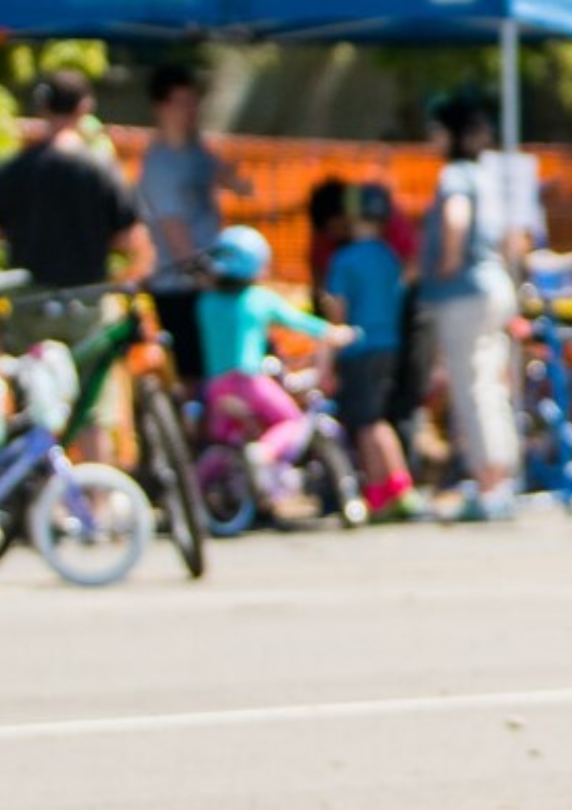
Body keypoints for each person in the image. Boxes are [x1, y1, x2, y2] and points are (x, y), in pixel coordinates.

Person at [0, 70, 154, 463]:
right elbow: (132, 240)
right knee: (91, 401)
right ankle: (94, 500)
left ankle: (36, 492)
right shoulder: (99, 168)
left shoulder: (16, 168)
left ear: (41, 107)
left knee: (34, 399)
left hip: (29, 302)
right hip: (86, 300)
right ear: (85, 108)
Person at [195, 224, 355, 498]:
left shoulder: (206, 302)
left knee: (228, 440)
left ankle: (201, 490)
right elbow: (298, 320)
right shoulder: (257, 299)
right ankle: (264, 454)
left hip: (216, 386)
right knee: (290, 421)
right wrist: (334, 332)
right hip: (247, 381)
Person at [417, 90, 519, 522]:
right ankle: (502, 475)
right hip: (496, 285)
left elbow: (455, 217)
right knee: (492, 386)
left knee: (471, 387)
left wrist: (447, 260)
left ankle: (487, 480)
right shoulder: (488, 176)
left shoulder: (456, 175)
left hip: (465, 293)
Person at [138, 63, 251, 383]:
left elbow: (222, 174)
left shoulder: (195, 150)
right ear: (161, 106)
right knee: (193, 378)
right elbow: (175, 232)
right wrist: (207, 279)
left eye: (193, 102)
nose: (190, 111)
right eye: (181, 103)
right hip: (181, 288)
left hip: (207, 282)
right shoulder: (160, 166)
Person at [322, 183, 426, 522]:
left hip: (359, 346)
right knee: (376, 417)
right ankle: (388, 485)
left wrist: (329, 353)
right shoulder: (388, 256)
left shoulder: (345, 259)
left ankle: (391, 486)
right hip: (389, 344)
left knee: (367, 422)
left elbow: (337, 309)